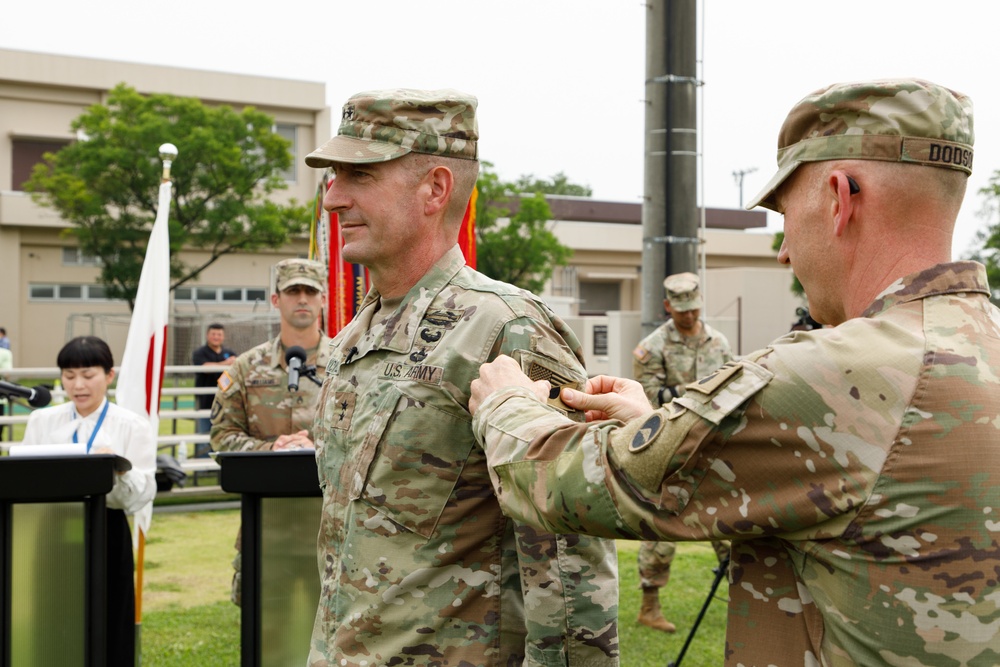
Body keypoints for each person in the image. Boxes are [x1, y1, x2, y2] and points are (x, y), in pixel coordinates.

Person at [469, 79, 1000, 664]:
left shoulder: (830, 374)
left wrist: (506, 403)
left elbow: (573, 485)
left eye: (785, 214)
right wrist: (657, 423)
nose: (783, 252)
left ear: (839, 197)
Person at [303, 88, 619, 666]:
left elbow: (570, 558)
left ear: (435, 188)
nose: (332, 198)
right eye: (333, 177)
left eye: (359, 175)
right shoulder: (355, 338)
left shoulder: (507, 329)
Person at [20, 335, 156, 667]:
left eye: (88, 374)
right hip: (53, 529)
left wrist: (117, 469)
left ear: (109, 376)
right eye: (68, 376)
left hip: (106, 531)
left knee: (110, 616)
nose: (78, 385)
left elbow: (141, 495)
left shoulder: (131, 425)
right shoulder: (42, 421)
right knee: (52, 617)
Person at [211, 258, 332, 607]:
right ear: (276, 299)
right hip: (267, 521)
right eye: (293, 291)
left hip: (329, 526)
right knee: (265, 630)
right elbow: (222, 437)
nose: (303, 299)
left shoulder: (349, 363)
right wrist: (272, 448)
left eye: (310, 291)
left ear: (323, 298)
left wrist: (317, 446)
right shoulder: (246, 368)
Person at [631, 271, 732, 632]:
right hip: (670, 448)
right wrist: (696, 395)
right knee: (664, 526)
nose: (688, 316)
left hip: (713, 445)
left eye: (693, 309)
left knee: (728, 522)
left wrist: (682, 392)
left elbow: (732, 388)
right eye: (680, 311)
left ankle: (742, 598)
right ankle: (649, 606)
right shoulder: (652, 347)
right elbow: (645, 396)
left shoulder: (718, 343)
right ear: (667, 306)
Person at [191, 322, 235, 449]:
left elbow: (237, 366)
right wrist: (226, 363)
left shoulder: (229, 352)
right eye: (213, 334)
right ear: (207, 335)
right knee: (204, 434)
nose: (216, 337)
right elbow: (204, 367)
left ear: (224, 336)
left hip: (226, 401)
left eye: (219, 334)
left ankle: (220, 465)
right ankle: (202, 466)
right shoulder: (200, 352)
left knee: (224, 434)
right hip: (206, 401)